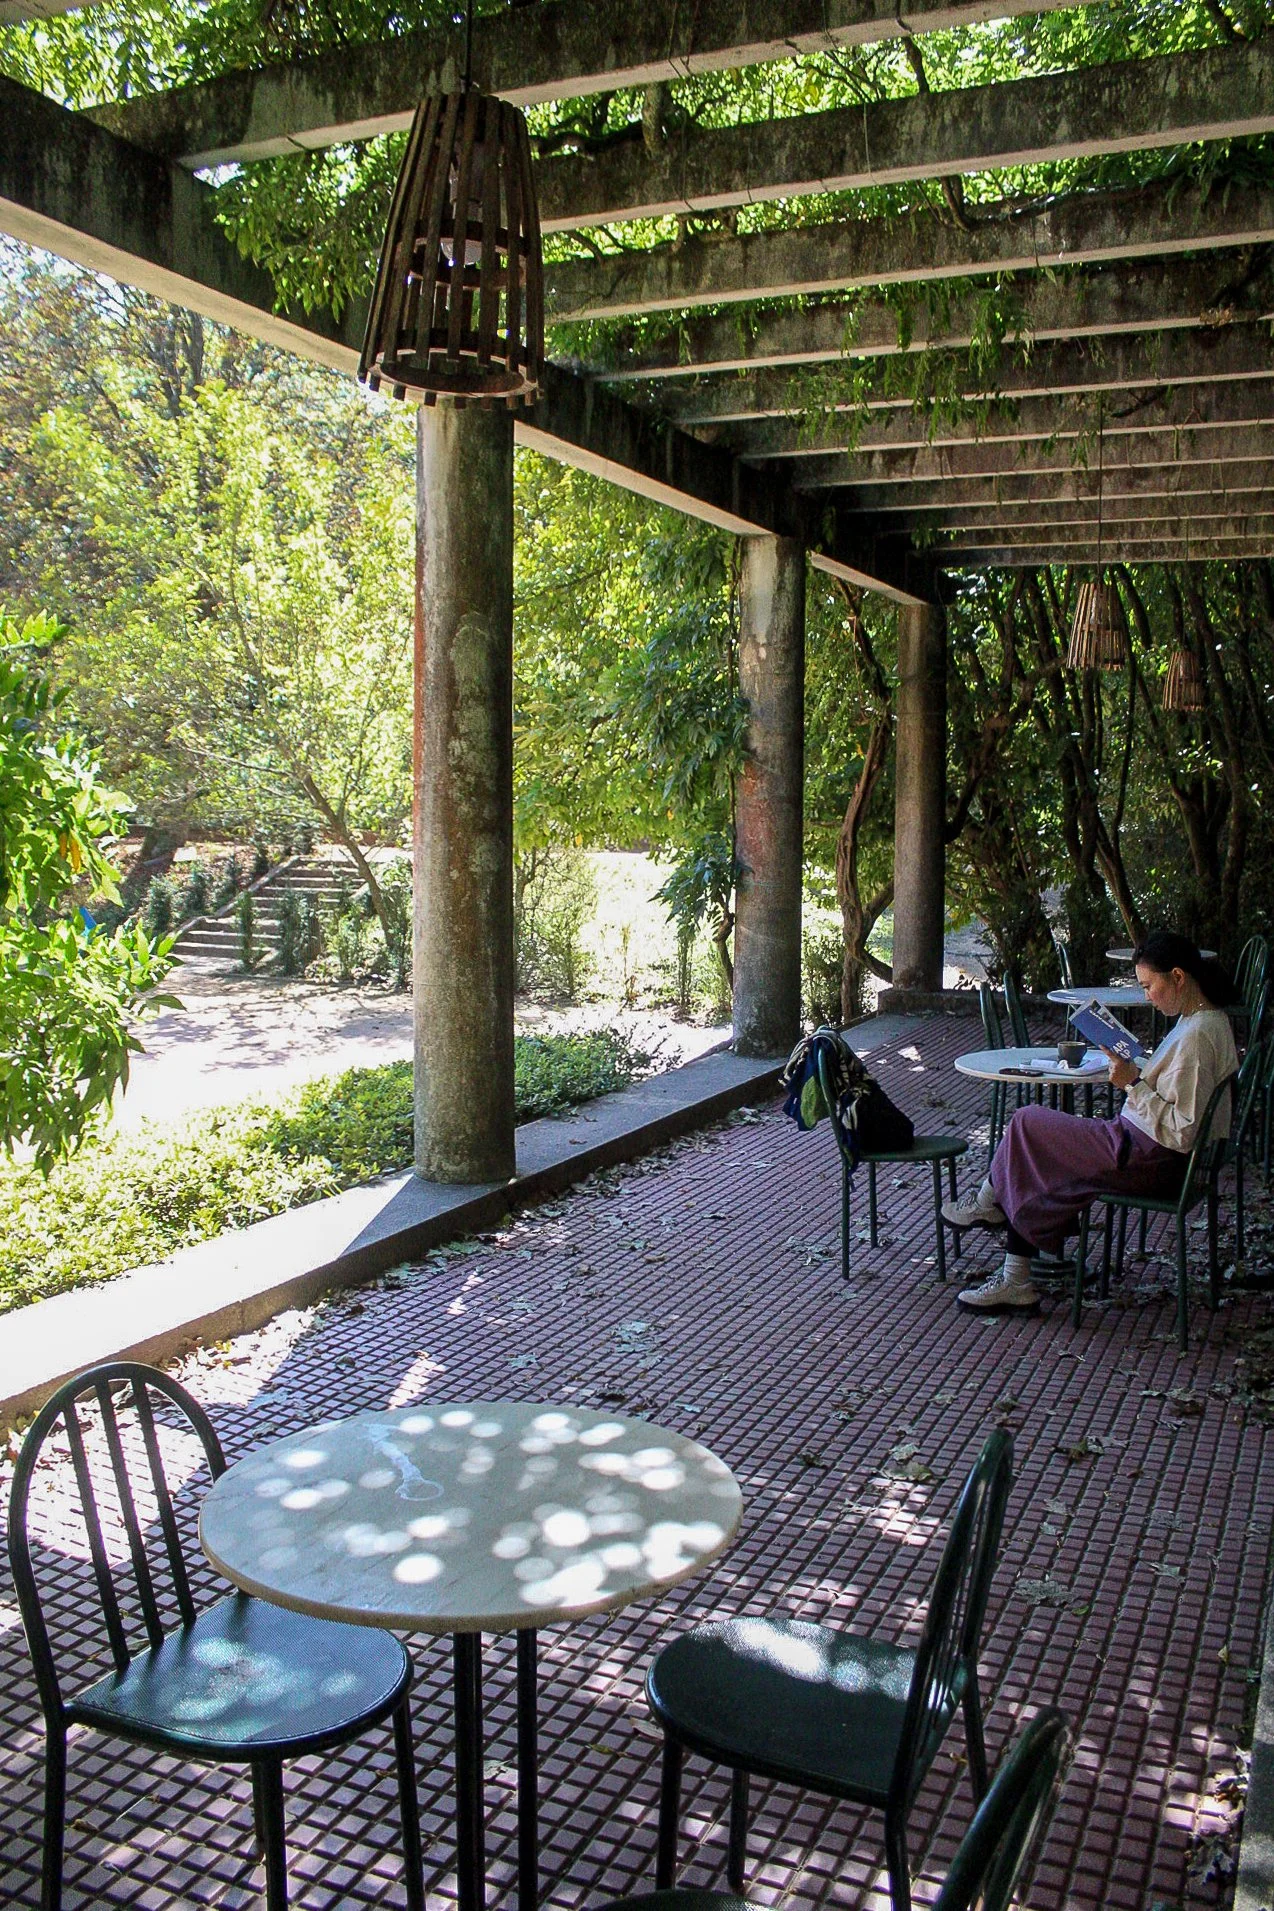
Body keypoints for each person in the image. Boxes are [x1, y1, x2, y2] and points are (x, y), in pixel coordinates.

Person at [943, 932, 1239, 1316]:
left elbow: (1182, 1131)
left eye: (1149, 986)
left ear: (1178, 977)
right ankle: (1012, 1265)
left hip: (1148, 1158)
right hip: (1143, 1147)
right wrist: (1137, 1071)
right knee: (1035, 1147)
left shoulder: (1198, 1035)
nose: (1146, 995)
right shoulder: (1204, 1020)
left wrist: (1132, 1082)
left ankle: (991, 1207)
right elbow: (1179, 1098)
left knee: (1026, 1123)